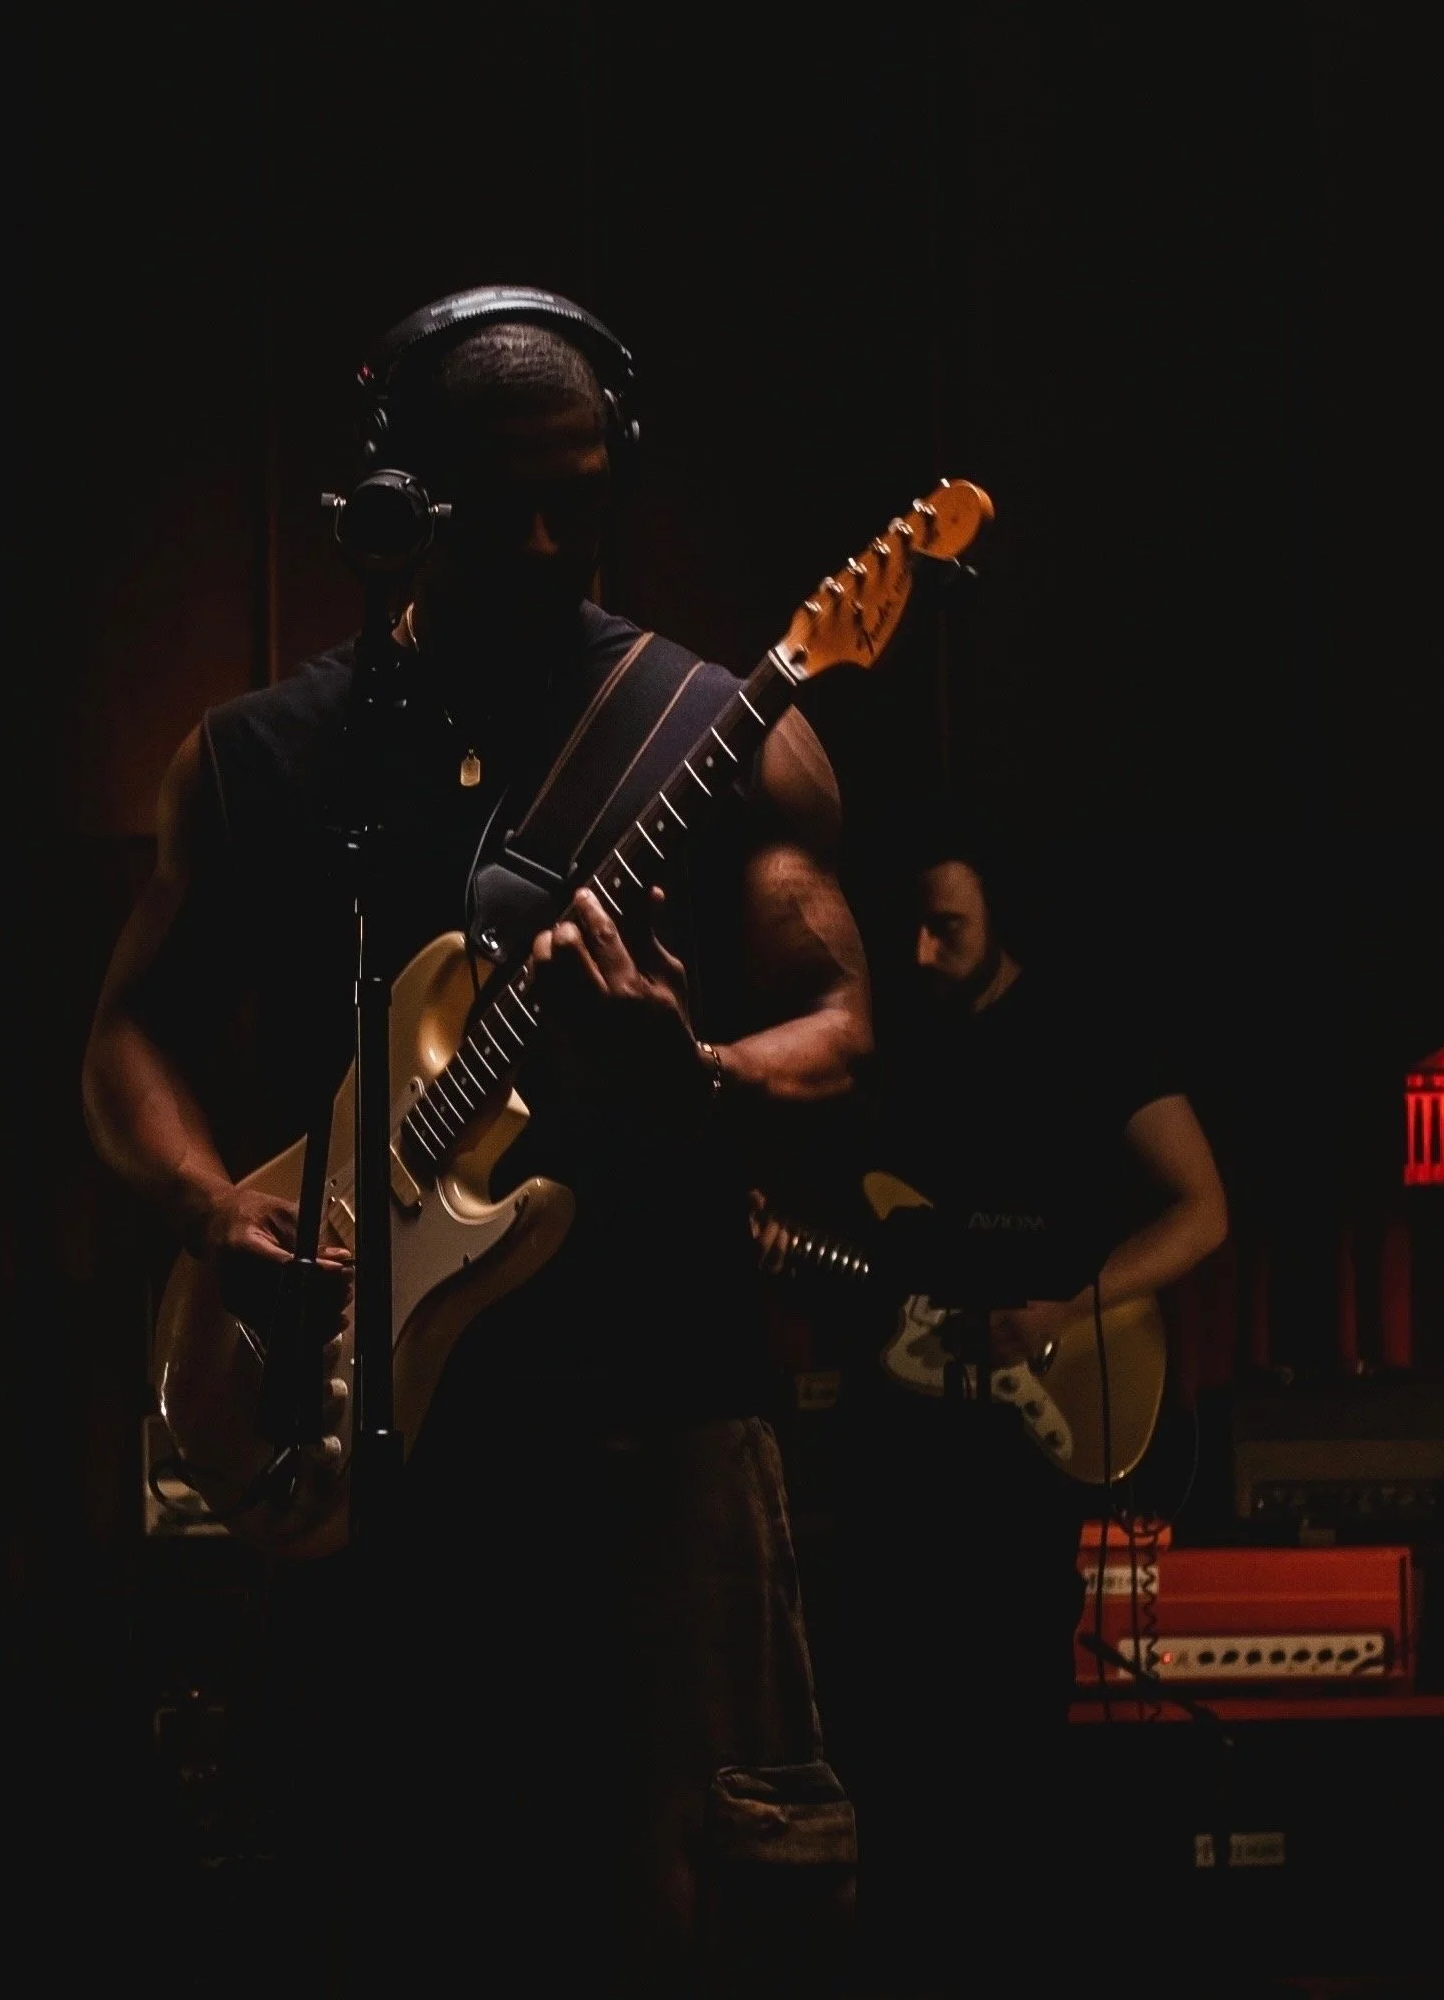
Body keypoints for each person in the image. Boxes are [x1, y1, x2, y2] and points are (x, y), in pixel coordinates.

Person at [82, 290, 873, 1989]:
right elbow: (130, 1032)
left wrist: (697, 1072)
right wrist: (212, 1207)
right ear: (394, 500)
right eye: (498, 504)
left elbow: (839, 1028)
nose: (543, 543)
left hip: (653, 1421)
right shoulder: (259, 758)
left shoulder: (720, 727)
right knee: (374, 1906)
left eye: (578, 501)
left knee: (680, 1919)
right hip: (369, 1452)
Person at [756, 816, 1227, 1994]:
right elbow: (867, 1255)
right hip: (896, 1457)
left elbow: (1200, 1208)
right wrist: (779, 1251)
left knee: (1011, 1736)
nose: (918, 952)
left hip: (1018, 1454)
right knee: (890, 1743)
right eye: (907, 928)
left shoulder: (1088, 1035)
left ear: (998, 913)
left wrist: (1070, 1305)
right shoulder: (888, 1057)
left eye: (945, 926)